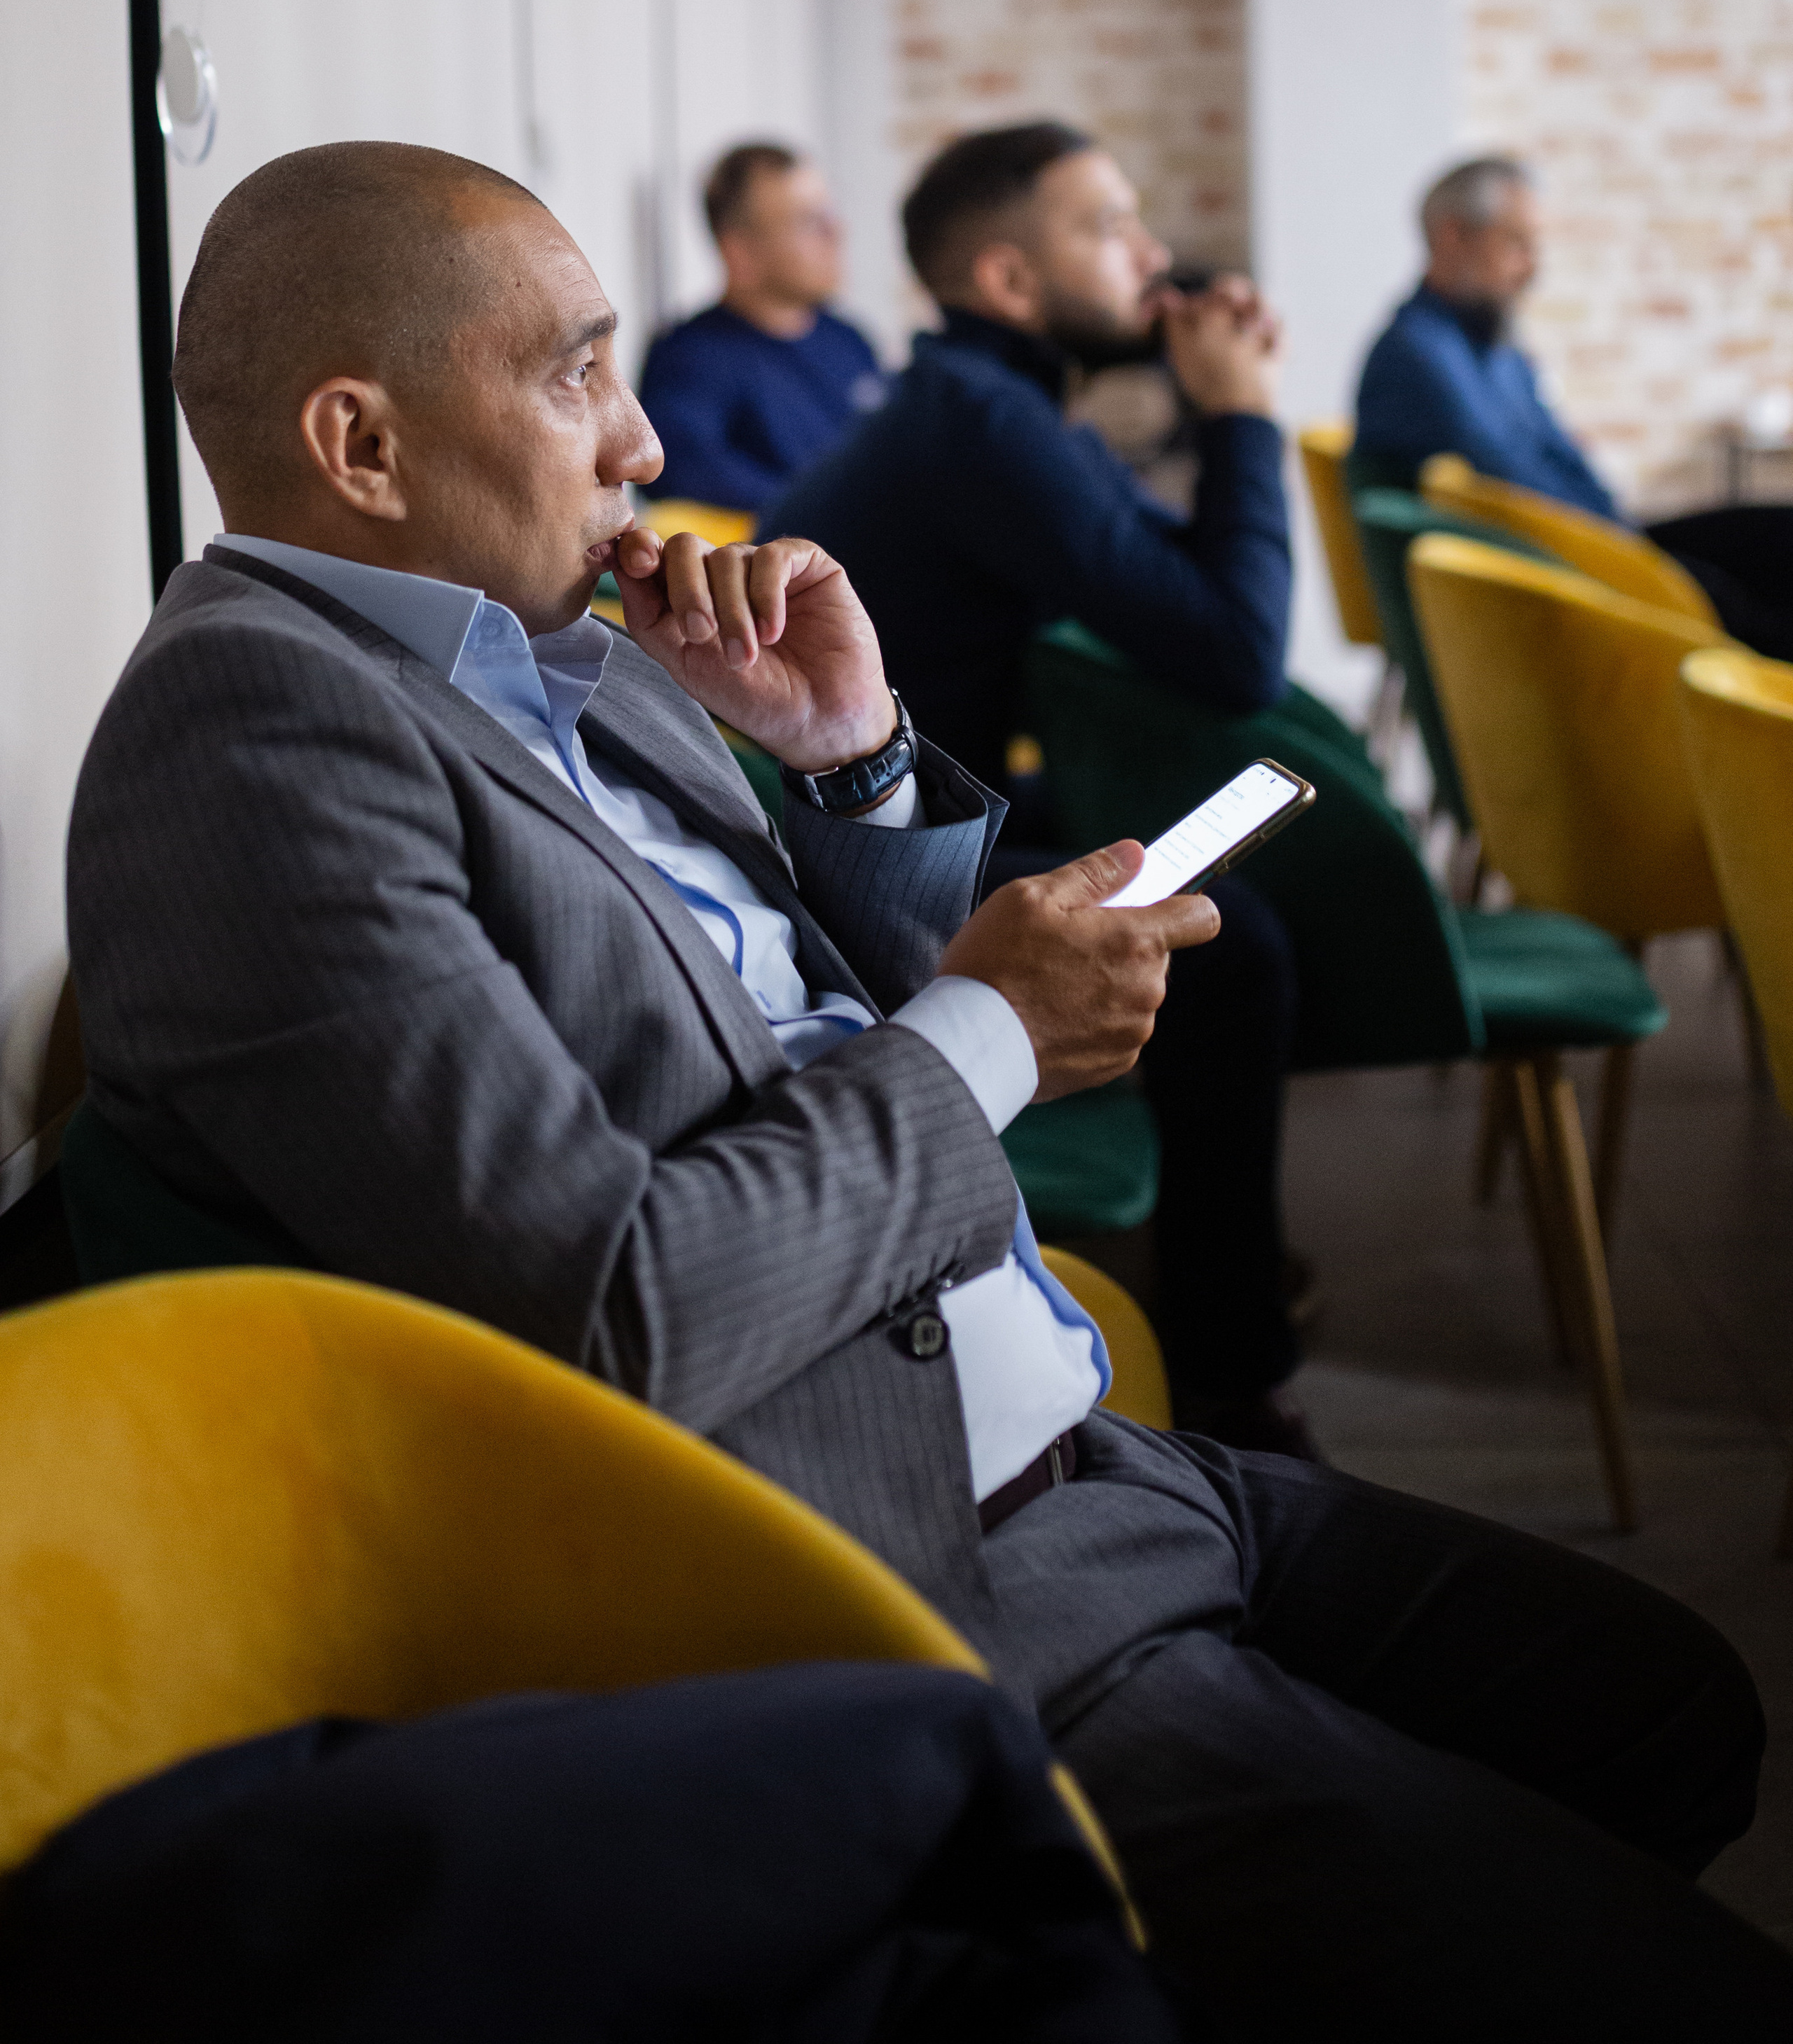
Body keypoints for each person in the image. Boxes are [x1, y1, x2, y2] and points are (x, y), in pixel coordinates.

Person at [66, 144, 1789, 2037]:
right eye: (574, 375)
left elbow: (807, 1019)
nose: (640, 439)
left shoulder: (575, 655)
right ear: (362, 444)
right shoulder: (249, 737)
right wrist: (993, 1031)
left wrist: (853, 767)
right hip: (926, 1577)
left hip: (1106, 1459)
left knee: (1680, 1709)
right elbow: (614, 1308)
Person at [768, 122, 1305, 1450]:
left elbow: (1162, 570)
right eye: (1110, 227)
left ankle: (1227, 1275)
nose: (1155, 255)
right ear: (1009, 282)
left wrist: (1213, 404)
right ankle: (1239, 1377)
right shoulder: (985, 426)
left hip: (911, 816)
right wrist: (1240, 411)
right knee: (1241, 954)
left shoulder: (982, 405)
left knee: (1205, 898)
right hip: (860, 874)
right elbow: (1237, 649)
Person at [1356, 155, 1793, 660]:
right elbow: (1515, 490)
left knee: (1778, 535)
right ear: (1453, 236)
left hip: (1600, 541)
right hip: (1569, 572)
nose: (1533, 267)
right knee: (1743, 604)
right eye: (1517, 244)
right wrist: (1631, 552)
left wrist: (1622, 530)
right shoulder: (1420, 357)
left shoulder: (1492, 348)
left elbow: (1561, 457)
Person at [635, 140, 885, 513]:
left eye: (828, 214)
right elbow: (676, 473)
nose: (835, 233)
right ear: (740, 252)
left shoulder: (849, 339)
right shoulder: (691, 357)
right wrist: (832, 514)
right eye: (807, 221)